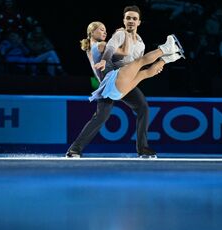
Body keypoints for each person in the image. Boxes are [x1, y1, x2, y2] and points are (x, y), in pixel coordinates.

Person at [66, 5, 182, 159]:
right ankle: (167, 51)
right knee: (102, 116)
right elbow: (113, 50)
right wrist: (110, 56)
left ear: (139, 22)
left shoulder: (140, 43)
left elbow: (132, 62)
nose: (131, 21)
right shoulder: (114, 38)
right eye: (128, 18)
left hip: (122, 78)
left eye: (134, 18)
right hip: (112, 79)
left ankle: (143, 149)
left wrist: (139, 72)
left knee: (143, 106)